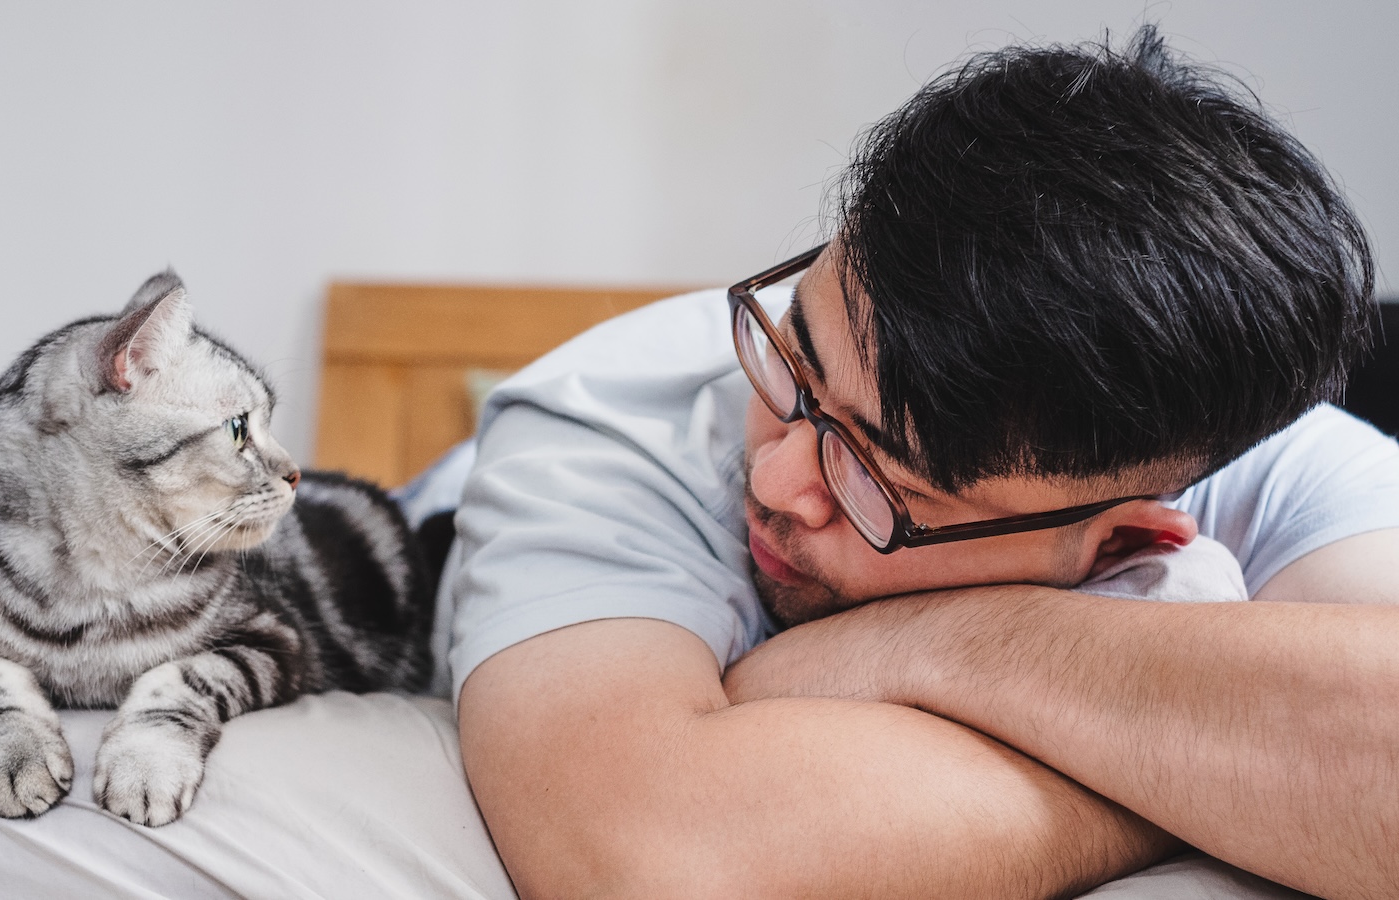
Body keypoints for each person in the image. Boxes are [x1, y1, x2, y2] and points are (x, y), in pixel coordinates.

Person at [444, 27, 1399, 899]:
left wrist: (927, 643)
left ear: (1127, 538)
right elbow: (651, 858)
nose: (778, 484)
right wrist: (1234, 771)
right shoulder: (601, 421)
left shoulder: (1259, 453)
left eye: (885, 488)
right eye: (795, 365)